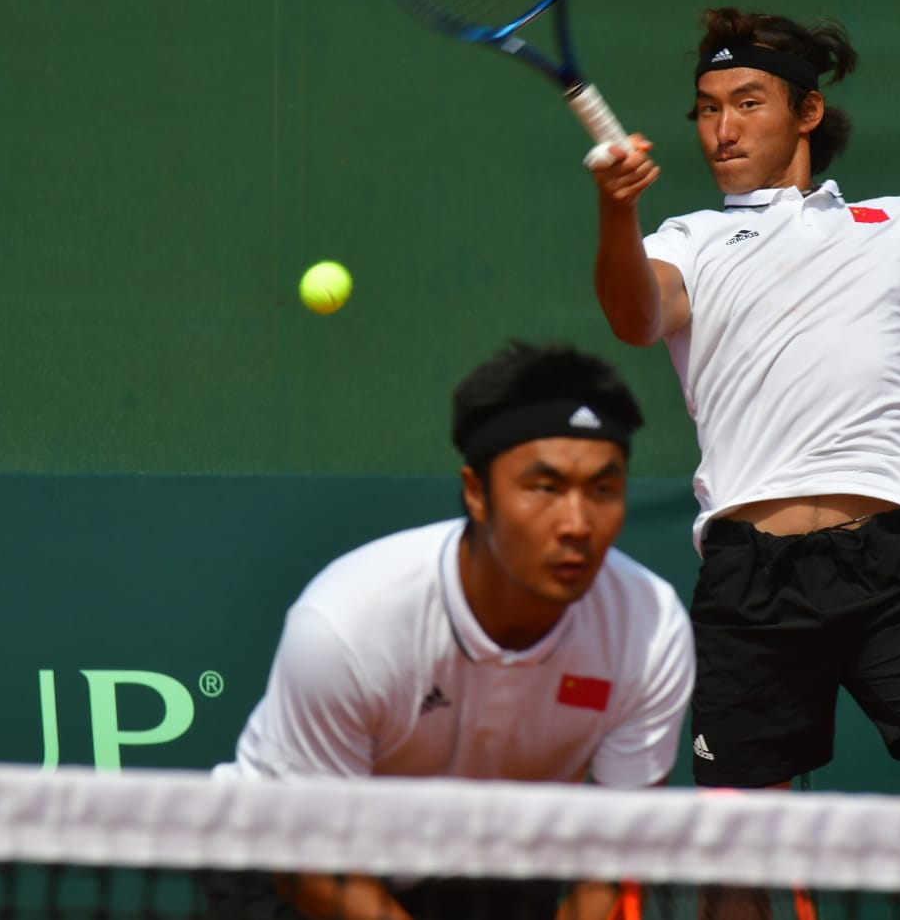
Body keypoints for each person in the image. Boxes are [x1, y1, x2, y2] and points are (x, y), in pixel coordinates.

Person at [588, 8, 900, 912]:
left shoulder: (895, 223)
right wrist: (618, 212)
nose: (721, 130)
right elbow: (633, 314)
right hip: (749, 583)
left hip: (890, 573)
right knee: (738, 874)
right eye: (705, 109)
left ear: (806, 114)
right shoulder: (684, 241)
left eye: (746, 103)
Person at [212, 341, 696, 920]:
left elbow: (614, 864)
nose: (576, 524)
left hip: (491, 873)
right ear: (476, 492)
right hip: (295, 865)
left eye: (602, 490)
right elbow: (317, 868)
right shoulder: (347, 623)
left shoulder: (649, 629)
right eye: (544, 488)